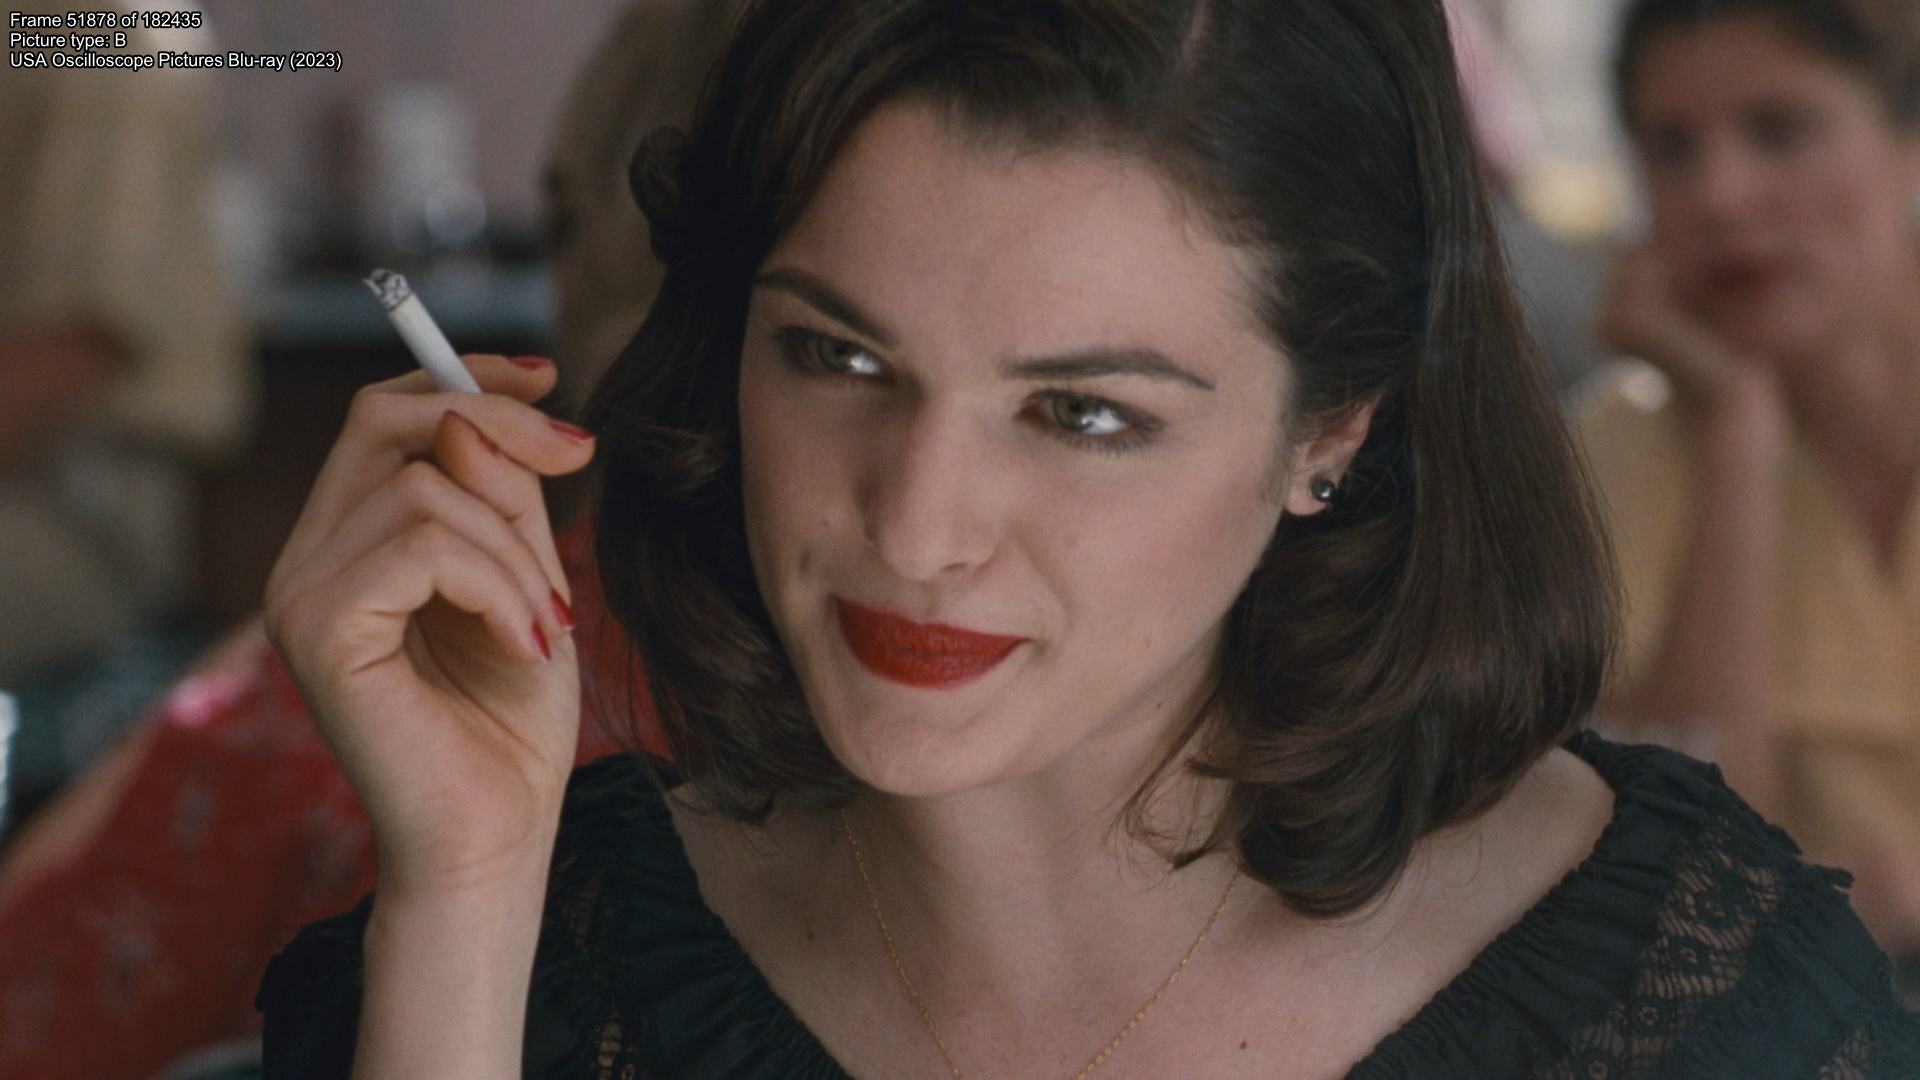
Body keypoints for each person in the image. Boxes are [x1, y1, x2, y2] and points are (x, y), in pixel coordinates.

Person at [257, 1, 1920, 1076]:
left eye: (1083, 413)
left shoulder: (1709, 1014)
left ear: (1332, 429)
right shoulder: (519, 969)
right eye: (838, 357)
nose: (916, 528)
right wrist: (468, 900)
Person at [1588, 0, 1920, 956]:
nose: (1721, 196)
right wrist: (1737, 431)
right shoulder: (1618, 455)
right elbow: (1677, 879)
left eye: (1779, 131)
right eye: (1672, 149)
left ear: (1907, 141)